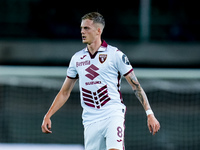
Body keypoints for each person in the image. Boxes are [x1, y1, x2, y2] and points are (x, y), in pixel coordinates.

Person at [41, 12, 160, 150]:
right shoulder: (77, 59)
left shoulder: (115, 55)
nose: (82, 31)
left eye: (86, 28)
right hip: (90, 120)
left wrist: (149, 113)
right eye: (81, 28)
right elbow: (65, 92)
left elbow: (136, 86)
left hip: (112, 114)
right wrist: (48, 115)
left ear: (98, 31)